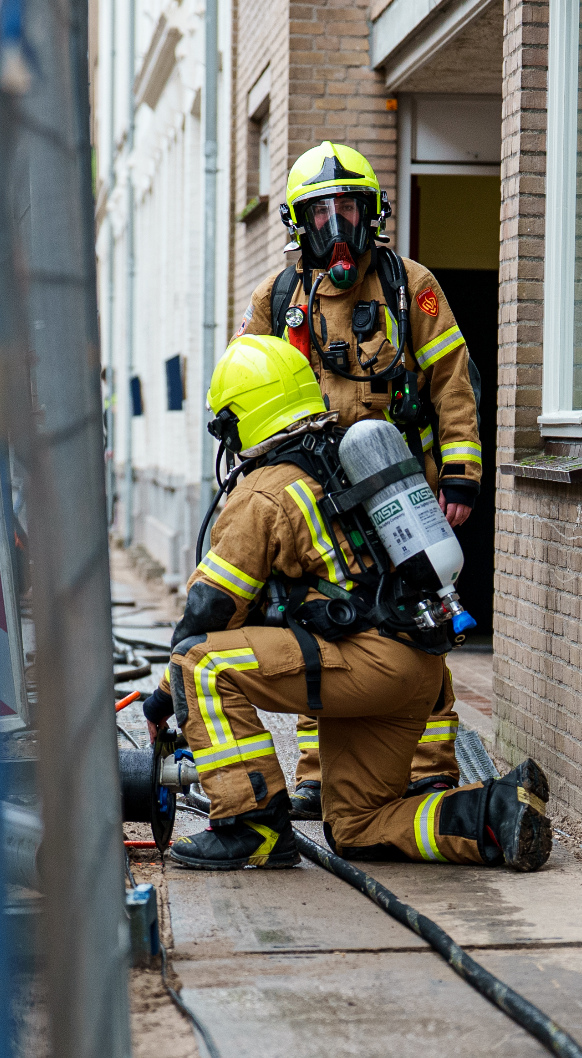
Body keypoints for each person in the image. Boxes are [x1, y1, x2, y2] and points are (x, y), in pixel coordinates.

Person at [140, 334, 549, 872]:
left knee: (201, 664)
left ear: (243, 418)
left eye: (227, 426)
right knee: (356, 826)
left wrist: (162, 700)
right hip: (419, 670)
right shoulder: (348, 460)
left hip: (368, 668)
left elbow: (210, 611)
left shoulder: (264, 492)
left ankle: (252, 826)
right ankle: (496, 811)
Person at [236, 141, 481, 819]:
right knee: (325, 625)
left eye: (348, 206)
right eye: (321, 211)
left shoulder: (411, 285)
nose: (335, 224)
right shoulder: (279, 298)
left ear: (371, 211)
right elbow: (249, 386)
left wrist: (459, 476)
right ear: (299, 222)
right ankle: (319, 771)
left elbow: (453, 386)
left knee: (418, 620)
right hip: (313, 497)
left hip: (396, 484)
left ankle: (429, 768)